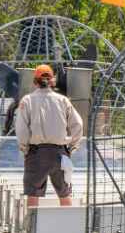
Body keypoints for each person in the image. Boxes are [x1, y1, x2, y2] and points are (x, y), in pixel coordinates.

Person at [15, 64, 83, 207]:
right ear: (52, 81)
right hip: (60, 153)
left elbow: (21, 130)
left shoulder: (27, 100)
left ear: (35, 82)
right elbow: (78, 125)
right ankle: (69, 227)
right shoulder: (63, 101)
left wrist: (25, 149)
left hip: (36, 153)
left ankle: (31, 228)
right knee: (65, 193)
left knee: (33, 195)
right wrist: (71, 148)